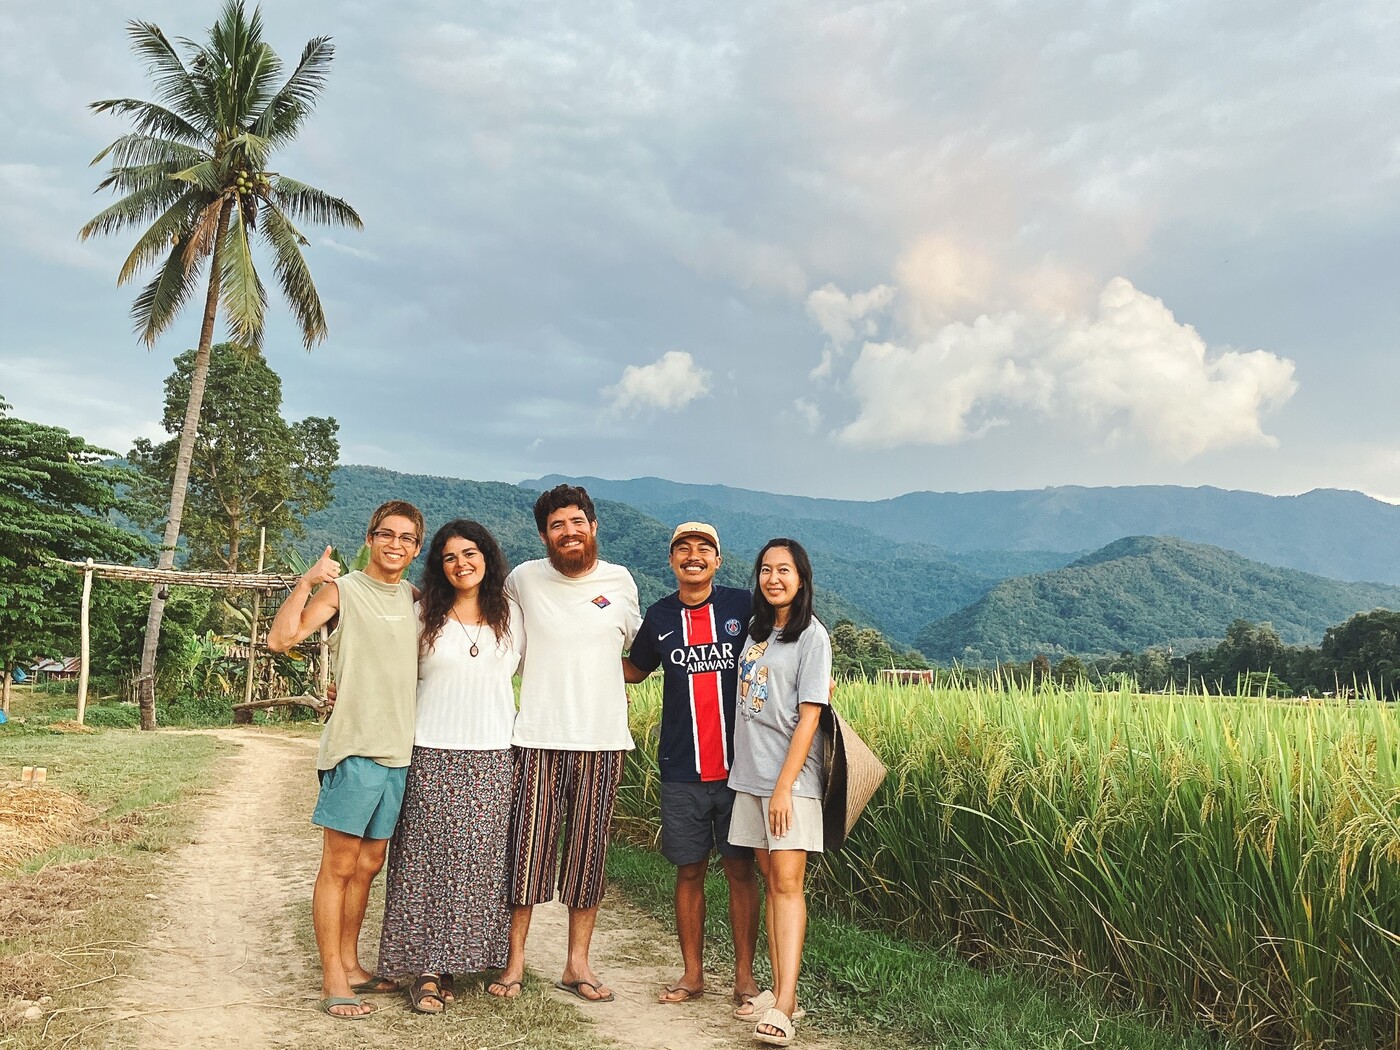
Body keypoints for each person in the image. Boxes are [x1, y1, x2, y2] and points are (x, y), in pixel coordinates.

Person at [266, 500, 425, 1020]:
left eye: (406, 538)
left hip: (400, 753)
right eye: (386, 534)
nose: (395, 544)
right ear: (371, 538)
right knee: (338, 866)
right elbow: (281, 638)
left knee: (369, 866)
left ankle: (354, 964)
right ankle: (333, 975)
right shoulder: (345, 590)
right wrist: (305, 581)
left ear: (417, 548)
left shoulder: (418, 601)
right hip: (354, 749)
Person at [492, 484, 641, 1003]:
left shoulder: (620, 581)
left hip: (602, 741)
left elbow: (640, 657)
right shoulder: (523, 579)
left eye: (577, 522)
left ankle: (577, 964)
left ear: (593, 526)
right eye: (558, 525)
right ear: (544, 535)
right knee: (527, 853)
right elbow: (485, 624)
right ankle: (514, 961)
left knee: (588, 856)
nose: (569, 532)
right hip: (534, 737)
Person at [375, 519, 522, 1013]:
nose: (462, 564)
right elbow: (388, 671)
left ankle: (462, 958)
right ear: (439, 566)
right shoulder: (422, 615)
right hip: (431, 750)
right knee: (424, 860)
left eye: (470, 553)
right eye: (450, 557)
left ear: (488, 557)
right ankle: (426, 970)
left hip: (494, 755)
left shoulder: (512, 616)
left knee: (478, 866)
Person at [623, 522, 761, 1006]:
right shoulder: (660, 615)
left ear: (718, 561)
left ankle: (745, 978)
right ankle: (693, 975)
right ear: (672, 561)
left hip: (740, 769)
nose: (694, 555)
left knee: (741, 871)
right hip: (681, 768)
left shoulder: (743, 606)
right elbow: (635, 670)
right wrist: (576, 651)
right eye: (684, 548)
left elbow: (790, 633)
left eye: (704, 548)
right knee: (689, 872)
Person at [727, 538, 832, 1047]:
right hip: (750, 777)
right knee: (769, 878)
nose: (773, 578)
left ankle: (787, 1004)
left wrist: (785, 787)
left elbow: (810, 714)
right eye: (765, 570)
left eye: (784, 570)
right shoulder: (759, 631)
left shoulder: (813, 636)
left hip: (789, 782)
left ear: (802, 577)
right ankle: (776, 989)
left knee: (787, 882)